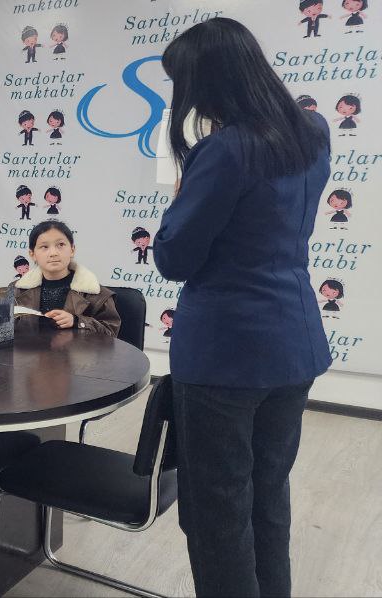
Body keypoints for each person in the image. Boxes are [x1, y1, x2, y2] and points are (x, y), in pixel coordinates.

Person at [155, 18, 333, 597]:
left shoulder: (224, 150)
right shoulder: (313, 131)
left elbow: (174, 257)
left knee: (217, 514)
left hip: (224, 356)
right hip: (294, 344)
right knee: (267, 496)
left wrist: (180, 200)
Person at [11, 221, 120, 337]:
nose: (53, 253)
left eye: (61, 245)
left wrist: (77, 321)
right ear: (32, 254)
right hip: (30, 349)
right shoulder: (16, 290)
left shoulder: (96, 293)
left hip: (77, 349)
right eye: (44, 247)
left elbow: (111, 333)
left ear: (72, 250)